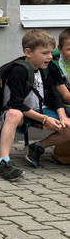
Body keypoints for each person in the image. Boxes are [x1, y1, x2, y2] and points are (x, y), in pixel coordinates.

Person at [0, 29, 70, 181]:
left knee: (68, 125)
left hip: (38, 110)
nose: (50, 57)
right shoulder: (18, 71)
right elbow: (16, 103)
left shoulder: (46, 68)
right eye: (45, 53)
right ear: (28, 52)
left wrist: (63, 117)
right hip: (20, 112)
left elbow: (54, 96)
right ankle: (4, 161)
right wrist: (45, 119)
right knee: (13, 114)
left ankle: (37, 147)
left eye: (51, 52)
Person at [48, 28, 70, 164]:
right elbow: (66, 96)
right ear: (60, 49)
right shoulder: (55, 65)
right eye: (69, 49)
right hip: (61, 105)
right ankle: (62, 154)